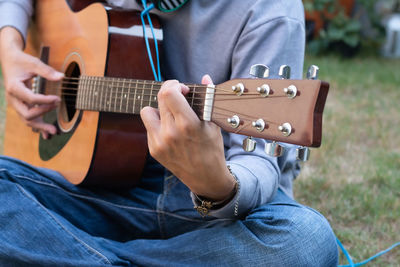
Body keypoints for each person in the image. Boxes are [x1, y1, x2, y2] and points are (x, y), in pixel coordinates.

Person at [0, 0, 339, 266]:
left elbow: (260, 161)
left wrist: (216, 185)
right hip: (94, 191)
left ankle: (61, 249)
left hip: (211, 219)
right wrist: (11, 47)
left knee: (307, 242)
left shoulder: (270, 9)